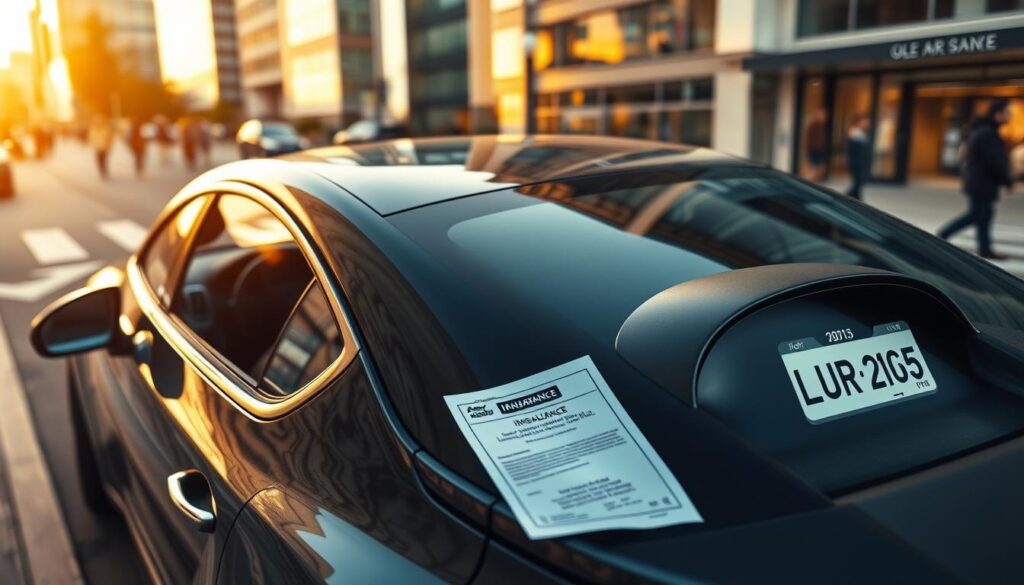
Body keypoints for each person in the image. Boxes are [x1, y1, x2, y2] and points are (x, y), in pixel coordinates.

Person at [938, 99, 1014, 260]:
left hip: (979, 182)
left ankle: (985, 249)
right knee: (976, 214)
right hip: (981, 183)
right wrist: (1007, 181)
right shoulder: (988, 133)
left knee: (984, 215)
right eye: (1007, 113)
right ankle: (942, 236)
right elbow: (994, 161)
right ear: (998, 114)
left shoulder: (984, 130)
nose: (1010, 116)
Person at [845, 114, 871, 200]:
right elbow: (853, 151)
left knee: (859, 183)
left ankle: (857, 200)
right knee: (858, 183)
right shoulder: (855, 133)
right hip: (857, 162)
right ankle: (846, 198)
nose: (867, 124)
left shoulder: (862, 134)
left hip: (861, 163)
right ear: (859, 122)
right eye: (865, 121)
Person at [804, 108, 828, 182]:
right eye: (821, 115)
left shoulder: (822, 127)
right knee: (812, 171)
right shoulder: (811, 126)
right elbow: (806, 140)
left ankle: (815, 184)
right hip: (813, 151)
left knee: (821, 170)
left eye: (824, 116)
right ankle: (808, 184)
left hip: (820, 151)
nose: (823, 117)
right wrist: (807, 152)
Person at [88, 115, 114, 180]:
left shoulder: (106, 129)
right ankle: (101, 172)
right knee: (98, 161)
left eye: (99, 121)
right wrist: (92, 145)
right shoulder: (93, 129)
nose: (98, 123)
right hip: (97, 148)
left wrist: (109, 147)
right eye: (96, 122)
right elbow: (91, 138)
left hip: (104, 148)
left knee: (104, 161)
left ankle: (104, 172)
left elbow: (110, 139)